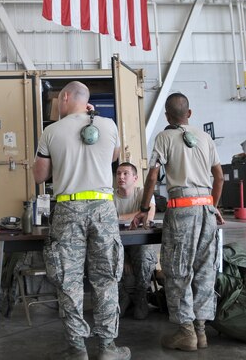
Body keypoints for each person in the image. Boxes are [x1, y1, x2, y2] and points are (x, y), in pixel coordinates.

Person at [33, 81, 131, 360]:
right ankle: (107, 348)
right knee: (106, 279)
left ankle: (77, 349)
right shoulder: (108, 125)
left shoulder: (51, 131)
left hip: (68, 209)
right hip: (103, 209)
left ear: (65, 97)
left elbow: (40, 176)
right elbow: (112, 156)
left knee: (69, 281)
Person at [130, 92, 224, 352]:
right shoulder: (205, 138)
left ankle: (186, 332)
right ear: (189, 114)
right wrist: (213, 206)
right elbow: (220, 177)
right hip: (206, 209)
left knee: (178, 271)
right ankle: (202, 331)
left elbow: (152, 178)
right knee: (205, 270)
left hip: (182, 211)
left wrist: (143, 207)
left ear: (167, 116)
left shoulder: (164, 137)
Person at [114, 163, 157, 320]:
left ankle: (141, 297)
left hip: (139, 245)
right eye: (118, 174)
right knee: (105, 254)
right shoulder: (109, 197)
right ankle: (122, 296)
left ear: (135, 178)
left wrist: (118, 217)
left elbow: (148, 216)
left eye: (125, 174)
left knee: (144, 253)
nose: (121, 177)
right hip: (117, 246)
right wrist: (125, 257)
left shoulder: (144, 194)